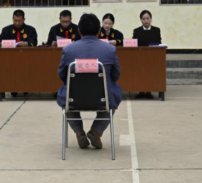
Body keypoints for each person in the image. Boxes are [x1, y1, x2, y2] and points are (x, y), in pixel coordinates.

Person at [57, 13, 123, 150]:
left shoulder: (68, 50)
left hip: (74, 98)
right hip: (103, 98)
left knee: (66, 94)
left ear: (79, 31)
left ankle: (79, 132)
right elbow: (116, 75)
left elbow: (62, 74)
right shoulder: (110, 50)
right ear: (99, 31)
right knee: (114, 92)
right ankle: (96, 131)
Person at [133, 10, 162, 99]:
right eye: (143, 19)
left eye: (147, 18)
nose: (146, 20)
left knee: (150, 73)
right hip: (140, 56)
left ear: (151, 19)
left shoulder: (156, 30)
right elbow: (134, 43)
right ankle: (141, 91)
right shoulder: (137, 31)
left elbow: (159, 42)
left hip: (152, 57)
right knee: (140, 73)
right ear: (141, 20)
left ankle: (149, 91)